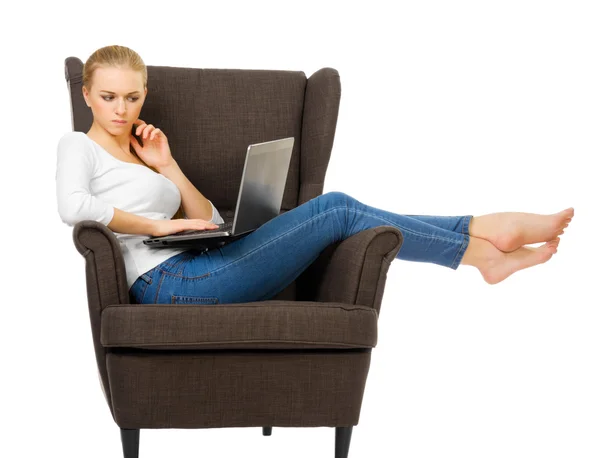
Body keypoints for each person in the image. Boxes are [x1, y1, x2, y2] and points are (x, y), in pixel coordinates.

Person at [56, 45, 574, 305]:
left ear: (144, 93)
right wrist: (158, 226)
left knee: (340, 212)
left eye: (132, 96)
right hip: (167, 283)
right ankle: (479, 243)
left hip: (203, 260)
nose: (121, 109)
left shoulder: (150, 151)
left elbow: (209, 219)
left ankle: (481, 234)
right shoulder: (77, 146)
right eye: (108, 97)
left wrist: (167, 165)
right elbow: (73, 207)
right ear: (86, 95)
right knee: (338, 208)